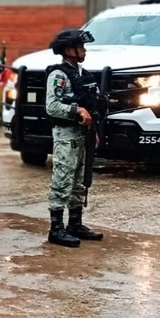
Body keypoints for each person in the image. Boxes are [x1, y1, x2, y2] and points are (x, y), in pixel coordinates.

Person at [45, 28, 104, 247]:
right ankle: (56, 228)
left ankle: (75, 223)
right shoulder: (58, 75)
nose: (84, 50)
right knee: (62, 179)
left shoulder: (81, 73)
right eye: (80, 46)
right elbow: (52, 106)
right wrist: (77, 111)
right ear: (69, 49)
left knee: (80, 181)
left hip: (83, 135)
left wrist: (94, 131)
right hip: (66, 135)